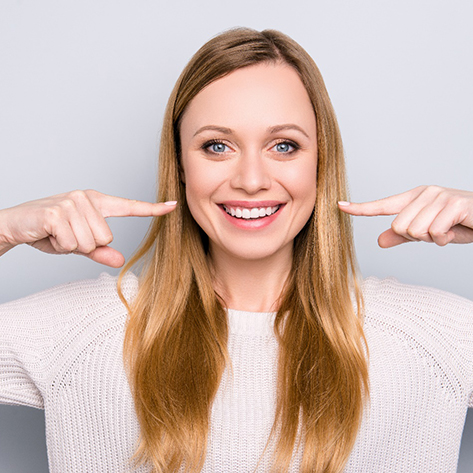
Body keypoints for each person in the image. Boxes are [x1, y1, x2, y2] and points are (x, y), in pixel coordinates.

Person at [1, 27, 472, 473]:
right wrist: (5, 230)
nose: (251, 180)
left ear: (320, 162)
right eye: (217, 146)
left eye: (284, 146)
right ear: (181, 165)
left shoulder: (432, 339)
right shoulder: (81, 330)